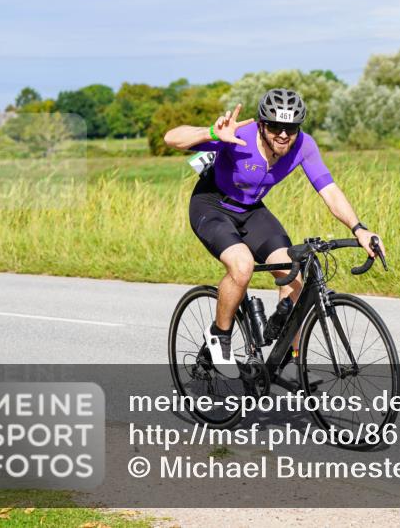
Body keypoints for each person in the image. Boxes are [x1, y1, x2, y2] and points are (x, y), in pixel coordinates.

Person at [163, 88, 385, 368]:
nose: (283, 134)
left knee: (292, 271)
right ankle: (220, 334)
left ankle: (287, 360)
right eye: (276, 127)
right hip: (212, 205)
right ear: (262, 124)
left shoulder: (304, 145)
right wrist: (210, 133)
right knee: (241, 266)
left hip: (252, 209)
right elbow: (171, 138)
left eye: (290, 128)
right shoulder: (240, 136)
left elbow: (328, 189)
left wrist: (359, 229)